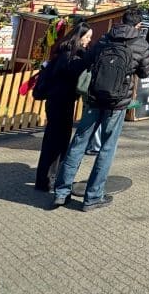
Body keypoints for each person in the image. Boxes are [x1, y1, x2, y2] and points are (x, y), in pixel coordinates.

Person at [52, 10, 149, 211]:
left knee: (78, 143)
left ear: (121, 21)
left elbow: (86, 62)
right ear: (139, 25)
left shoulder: (105, 38)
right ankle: (93, 197)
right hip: (118, 102)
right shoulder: (140, 44)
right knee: (107, 147)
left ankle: (61, 193)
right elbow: (145, 72)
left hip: (94, 98)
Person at [33, 22, 92, 192]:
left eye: (89, 37)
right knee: (56, 142)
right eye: (86, 37)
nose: (88, 40)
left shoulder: (65, 52)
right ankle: (48, 180)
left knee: (57, 140)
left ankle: (49, 178)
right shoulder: (69, 55)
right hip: (59, 101)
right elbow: (75, 71)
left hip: (61, 101)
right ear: (78, 36)